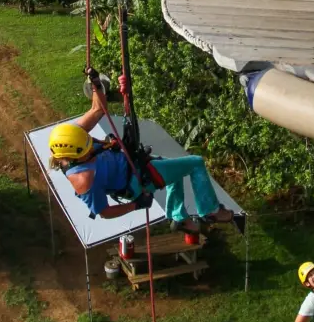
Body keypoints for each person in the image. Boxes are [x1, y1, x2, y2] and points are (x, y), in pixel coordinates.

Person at [47, 83, 234, 232]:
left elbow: (97, 109)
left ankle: (178, 217)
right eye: (87, 149)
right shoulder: (83, 181)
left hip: (135, 162)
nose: (91, 145)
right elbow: (104, 212)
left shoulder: (73, 138)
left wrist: (95, 82)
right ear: (76, 157)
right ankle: (211, 210)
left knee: (174, 173)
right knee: (195, 163)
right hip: (137, 180)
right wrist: (136, 205)